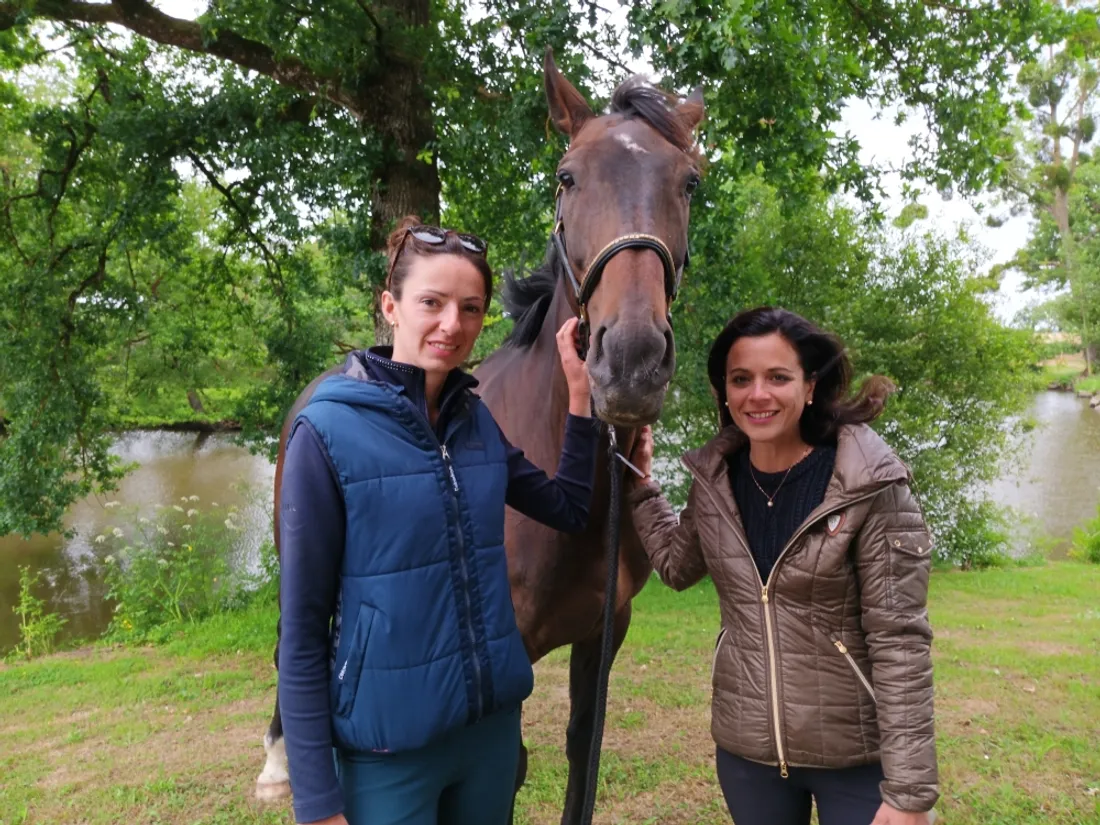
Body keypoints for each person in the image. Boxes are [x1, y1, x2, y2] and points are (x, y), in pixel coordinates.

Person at [277, 217, 597, 825]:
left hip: (489, 738)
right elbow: (301, 632)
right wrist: (316, 801)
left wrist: (579, 403)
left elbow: (569, 509)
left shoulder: (474, 422)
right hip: (388, 752)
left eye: (471, 309)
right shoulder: (325, 431)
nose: (453, 325)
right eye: (432, 302)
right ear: (391, 306)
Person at [627, 307, 938, 825]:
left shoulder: (867, 485)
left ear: (810, 386)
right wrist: (641, 486)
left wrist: (909, 792)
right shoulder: (716, 483)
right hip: (748, 754)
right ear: (723, 392)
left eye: (778, 377)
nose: (758, 395)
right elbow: (676, 566)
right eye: (741, 379)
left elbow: (900, 640)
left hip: (855, 758)